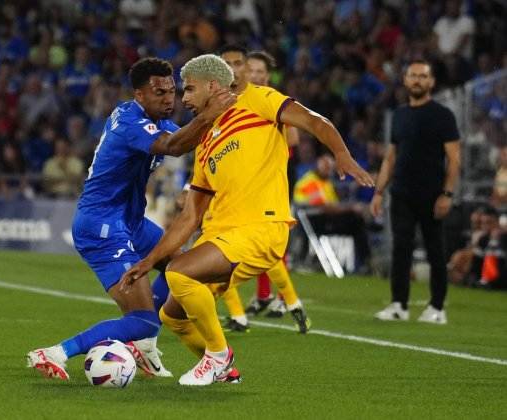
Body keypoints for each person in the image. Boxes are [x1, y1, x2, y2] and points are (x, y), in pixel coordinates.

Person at [121, 54, 373, 386]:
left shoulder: (257, 99)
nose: (184, 99)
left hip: (261, 227)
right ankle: (225, 372)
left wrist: (341, 153)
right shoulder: (206, 140)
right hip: (222, 237)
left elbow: (313, 121)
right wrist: (149, 260)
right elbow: (190, 216)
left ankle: (218, 355)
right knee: (172, 315)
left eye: (190, 89)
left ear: (212, 86)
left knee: (179, 273)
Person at [26, 57, 235, 380]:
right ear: (139, 95)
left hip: (132, 223)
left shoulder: (159, 123)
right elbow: (173, 146)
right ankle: (54, 353)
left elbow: (192, 141)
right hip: (102, 227)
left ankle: (145, 347)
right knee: (141, 319)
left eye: (171, 91)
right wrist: (209, 114)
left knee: (182, 269)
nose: (169, 99)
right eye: (159, 93)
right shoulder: (129, 122)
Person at [217, 46, 308, 333]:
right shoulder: (230, 101)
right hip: (242, 182)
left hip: (272, 182)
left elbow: (293, 139)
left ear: (267, 76)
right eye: (250, 70)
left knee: (266, 245)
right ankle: (268, 298)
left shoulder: (272, 101)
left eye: (258, 71)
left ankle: (283, 300)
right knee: (254, 247)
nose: (253, 75)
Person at [371, 59, 461, 324]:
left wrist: (447, 194)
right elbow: (391, 157)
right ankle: (399, 304)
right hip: (401, 193)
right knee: (401, 249)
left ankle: (437, 307)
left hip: (432, 194)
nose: (418, 80)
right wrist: (378, 192)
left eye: (423, 76)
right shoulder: (399, 114)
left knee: (435, 251)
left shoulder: (443, 115)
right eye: (413, 76)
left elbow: (454, 159)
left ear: (432, 82)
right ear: (406, 80)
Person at [293, 154, 372, 273]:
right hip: (314, 221)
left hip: (324, 220)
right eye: (326, 167)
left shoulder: (325, 182)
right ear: (318, 165)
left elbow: (333, 205)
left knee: (357, 222)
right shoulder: (310, 182)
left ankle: (364, 262)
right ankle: (366, 261)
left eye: (330, 168)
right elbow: (325, 208)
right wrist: (351, 208)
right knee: (356, 220)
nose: (328, 171)